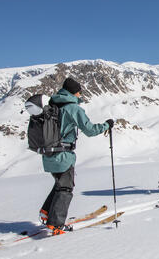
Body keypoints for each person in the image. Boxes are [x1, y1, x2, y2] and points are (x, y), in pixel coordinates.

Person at [39, 77, 114, 235]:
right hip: (63, 155)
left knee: (60, 183)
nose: (80, 95)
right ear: (74, 92)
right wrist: (107, 125)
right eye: (79, 92)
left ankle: (46, 212)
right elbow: (90, 130)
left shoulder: (52, 105)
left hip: (49, 154)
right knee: (66, 187)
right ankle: (56, 224)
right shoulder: (73, 108)